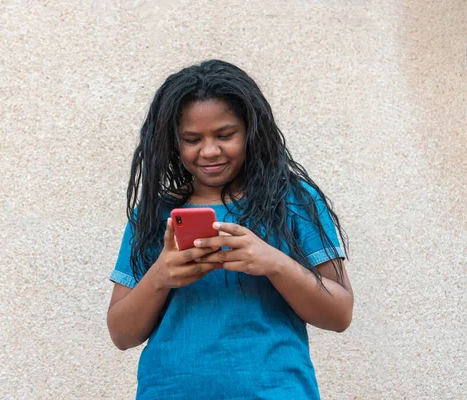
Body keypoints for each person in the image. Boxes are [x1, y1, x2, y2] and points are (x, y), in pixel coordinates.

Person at [107, 59, 353, 399]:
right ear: (172, 142)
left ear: (251, 131)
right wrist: (161, 276)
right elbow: (121, 334)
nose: (209, 150)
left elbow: (339, 313)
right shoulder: (155, 213)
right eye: (191, 139)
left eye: (225, 135)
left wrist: (275, 263)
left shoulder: (294, 201)